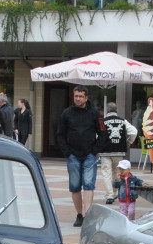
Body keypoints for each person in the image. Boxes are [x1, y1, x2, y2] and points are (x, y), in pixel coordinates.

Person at [56, 85, 107, 227]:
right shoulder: (66, 113)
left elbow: (103, 132)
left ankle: (88, 215)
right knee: (74, 186)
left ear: (86, 98)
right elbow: (60, 134)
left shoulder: (95, 113)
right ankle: (79, 214)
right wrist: (67, 152)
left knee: (89, 184)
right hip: (73, 155)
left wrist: (95, 150)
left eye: (80, 96)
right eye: (76, 96)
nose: (78, 99)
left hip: (89, 154)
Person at [98, 102, 138, 204]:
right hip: (119, 151)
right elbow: (134, 132)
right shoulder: (123, 121)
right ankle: (114, 192)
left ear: (107, 111)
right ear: (116, 110)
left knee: (106, 173)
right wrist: (128, 142)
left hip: (105, 151)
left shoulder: (102, 121)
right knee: (117, 173)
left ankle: (109, 195)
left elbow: (97, 135)